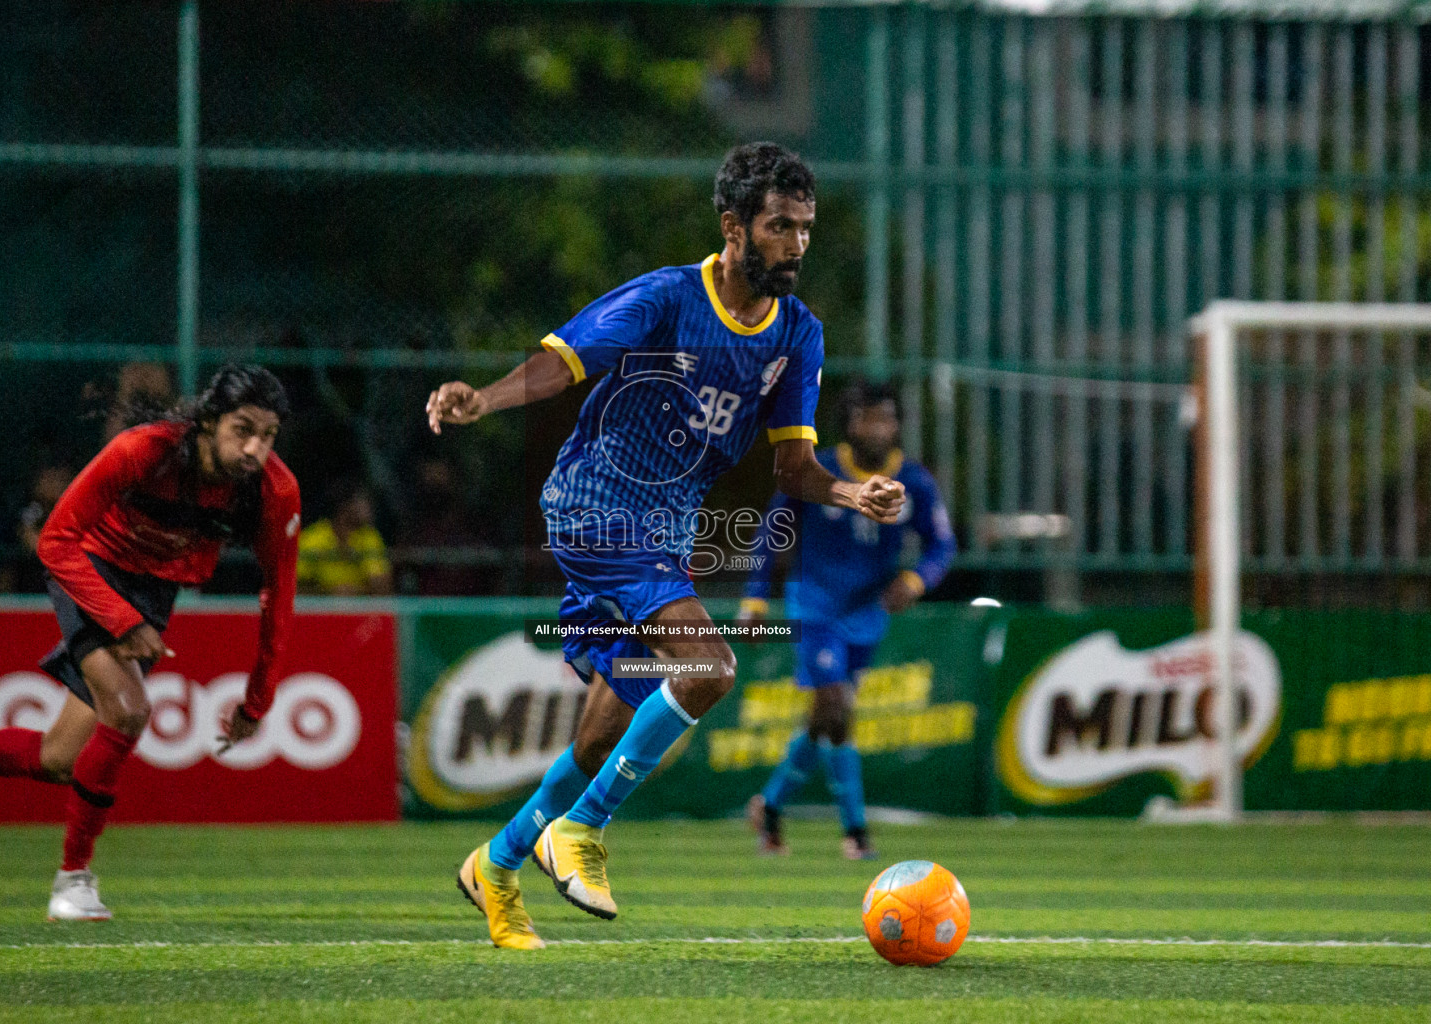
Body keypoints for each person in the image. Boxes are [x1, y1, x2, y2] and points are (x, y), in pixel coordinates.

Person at [425, 142, 906, 950]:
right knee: (708, 667)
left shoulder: (798, 334)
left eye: (805, 228)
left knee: (603, 732)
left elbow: (794, 467)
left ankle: (498, 864)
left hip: (663, 535)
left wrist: (851, 490)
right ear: (734, 226)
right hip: (595, 508)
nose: (795, 243)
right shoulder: (667, 297)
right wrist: (486, 400)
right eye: (779, 226)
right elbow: (564, 360)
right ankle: (580, 830)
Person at [0, 366, 300, 922]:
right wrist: (121, 618)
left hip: (153, 589)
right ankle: (73, 883)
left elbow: (278, 595)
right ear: (208, 421)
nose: (255, 447)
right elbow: (55, 540)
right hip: (88, 567)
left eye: (269, 434)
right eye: (243, 428)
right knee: (130, 710)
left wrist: (258, 700)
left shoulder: (272, 490)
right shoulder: (144, 451)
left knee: (61, 758)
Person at [739, 379, 956, 860]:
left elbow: (943, 545)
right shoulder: (820, 472)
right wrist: (754, 601)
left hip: (867, 614)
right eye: (867, 417)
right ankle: (856, 833)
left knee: (822, 720)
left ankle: (771, 807)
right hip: (813, 605)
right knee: (837, 710)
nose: (878, 428)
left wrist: (916, 580)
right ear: (849, 423)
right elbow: (773, 529)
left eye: (886, 418)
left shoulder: (914, 482)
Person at [296, 479, 393, 596]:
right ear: (345, 506)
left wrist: (355, 591)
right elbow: (295, 587)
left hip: (360, 611)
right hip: (320, 611)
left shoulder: (370, 538)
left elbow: (383, 588)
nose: (370, 508)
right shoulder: (312, 539)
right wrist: (329, 592)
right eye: (363, 501)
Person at [15, 465, 73, 593]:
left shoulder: (76, 510)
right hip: (34, 588)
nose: (57, 485)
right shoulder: (32, 510)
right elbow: (35, 545)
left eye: (61, 480)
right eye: (50, 479)